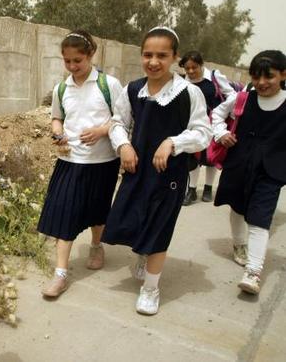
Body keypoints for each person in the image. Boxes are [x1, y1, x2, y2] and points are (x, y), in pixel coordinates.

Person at [104, 26, 212, 315]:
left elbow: (203, 132)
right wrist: (124, 146)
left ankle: (150, 289)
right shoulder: (132, 89)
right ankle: (142, 254)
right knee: (136, 217)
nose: (153, 61)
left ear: (175, 57)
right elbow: (117, 122)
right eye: (148, 54)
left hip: (170, 177)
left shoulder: (189, 93)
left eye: (162, 55)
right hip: (138, 169)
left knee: (160, 228)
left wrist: (172, 143)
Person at [38, 30, 123, 298]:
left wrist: (101, 130)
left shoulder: (109, 85)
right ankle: (61, 274)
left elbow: (122, 119)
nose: (73, 66)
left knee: (98, 211)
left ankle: (96, 246)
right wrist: (57, 133)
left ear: (91, 55)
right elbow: (56, 118)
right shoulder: (62, 88)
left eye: (78, 60)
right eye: (68, 61)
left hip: (103, 161)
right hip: (70, 160)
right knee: (64, 213)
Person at [212, 50, 286, 295]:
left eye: (269, 77)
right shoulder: (243, 97)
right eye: (256, 76)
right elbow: (218, 114)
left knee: (260, 219)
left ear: (283, 75)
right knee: (237, 207)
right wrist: (221, 133)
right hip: (240, 163)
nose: (262, 82)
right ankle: (239, 245)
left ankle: (253, 271)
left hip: (271, 171)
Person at [179, 51, 237, 205]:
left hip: (213, 124)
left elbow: (232, 95)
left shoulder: (214, 76)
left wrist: (220, 110)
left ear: (201, 64)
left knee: (210, 157)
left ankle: (208, 188)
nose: (191, 71)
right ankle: (191, 190)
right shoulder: (183, 81)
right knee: (193, 156)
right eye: (187, 68)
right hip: (193, 125)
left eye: (194, 67)